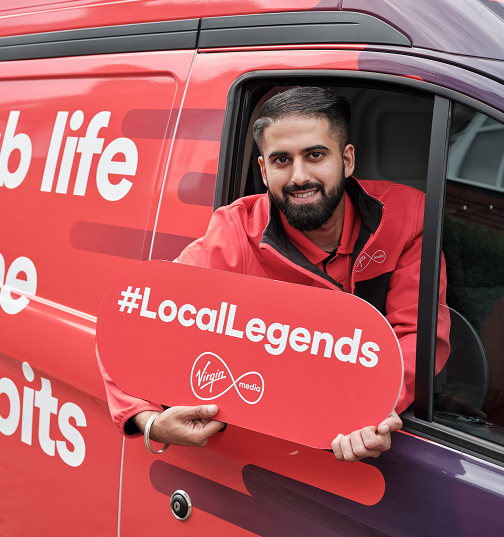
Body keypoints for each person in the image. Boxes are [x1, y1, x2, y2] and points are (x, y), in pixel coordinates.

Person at [97, 86, 451, 462]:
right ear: (264, 171)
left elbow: (416, 338)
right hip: (265, 460)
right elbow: (137, 318)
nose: (299, 177)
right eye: (282, 160)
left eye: (315, 155)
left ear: (346, 160)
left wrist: (364, 410)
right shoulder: (235, 233)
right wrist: (149, 421)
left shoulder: (407, 215)